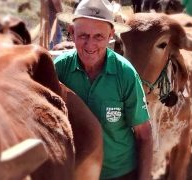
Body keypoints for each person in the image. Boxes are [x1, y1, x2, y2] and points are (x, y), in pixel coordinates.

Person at [55, 0, 153, 179]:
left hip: (119, 173)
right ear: (71, 32)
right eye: (83, 35)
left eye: (99, 36)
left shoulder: (125, 73)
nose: (90, 44)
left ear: (111, 36)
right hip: (75, 173)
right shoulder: (59, 69)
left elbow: (144, 134)